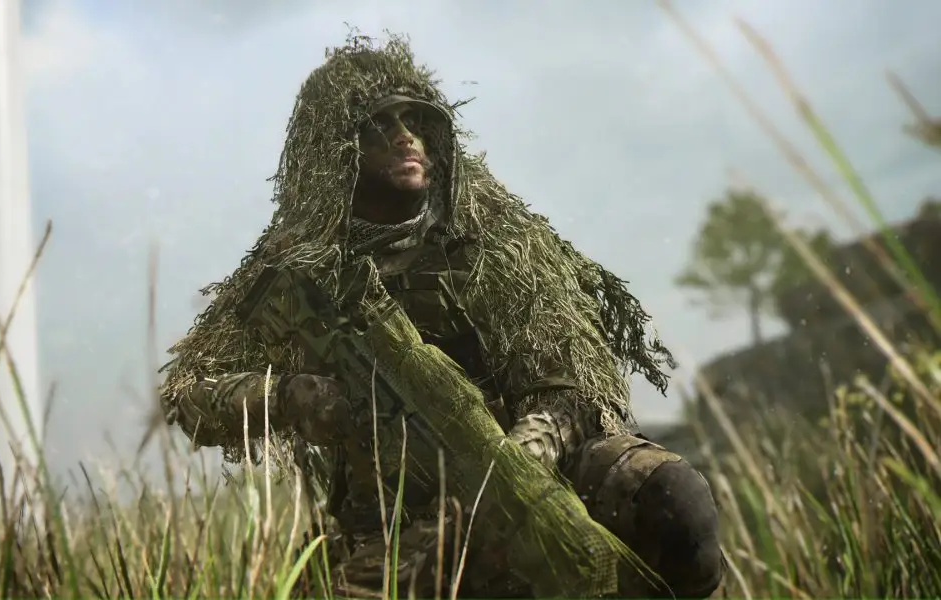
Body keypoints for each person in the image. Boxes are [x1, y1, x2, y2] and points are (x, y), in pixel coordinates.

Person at [159, 33, 723, 599]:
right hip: (394, 505)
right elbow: (187, 393)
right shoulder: (294, 267)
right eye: (382, 124)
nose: (407, 137)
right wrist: (286, 397)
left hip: (531, 465)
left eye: (417, 121)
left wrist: (520, 457)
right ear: (338, 149)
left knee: (672, 499)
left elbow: (566, 381)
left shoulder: (494, 236)